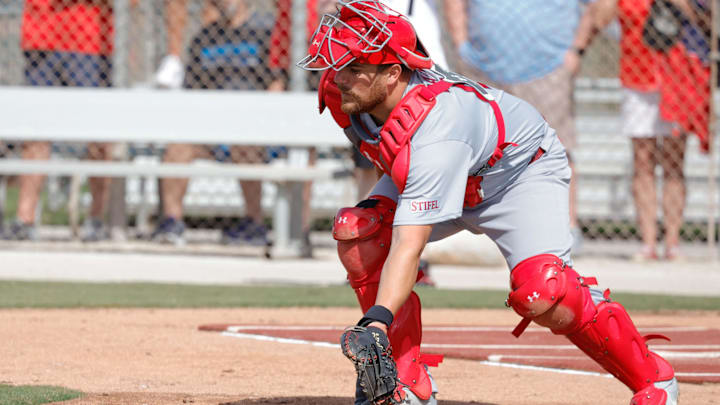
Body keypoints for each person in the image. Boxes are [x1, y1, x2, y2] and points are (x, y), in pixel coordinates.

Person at [299, 2, 678, 404]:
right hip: (449, 172)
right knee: (359, 233)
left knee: (545, 291)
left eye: (355, 68)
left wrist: (377, 320)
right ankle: (407, 382)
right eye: (340, 64)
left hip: (516, 176)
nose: (340, 77)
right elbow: (392, 160)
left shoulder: (438, 131)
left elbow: (409, 246)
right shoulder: (348, 95)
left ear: (393, 74)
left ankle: (653, 378)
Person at [443, 0, 601, 255]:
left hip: (548, 67)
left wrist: (577, 50)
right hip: (483, 65)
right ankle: (480, 229)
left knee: (555, 148)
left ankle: (565, 228)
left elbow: (600, 6)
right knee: (477, 150)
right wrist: (461, 42)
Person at [593, 0, 710, 261]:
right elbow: (600, 19)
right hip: (637, 74)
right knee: (643, 161)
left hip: (678, 75)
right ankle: (648, 243)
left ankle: (672, 243)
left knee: (674, 162)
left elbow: (703, 21)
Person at [151, 0, 275, 246]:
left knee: (245, 146)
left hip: (254, 129)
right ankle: (172, 222)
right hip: (213, 129)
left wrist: (261, 119)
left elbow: (275, 85)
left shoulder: (263, 33)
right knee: (178, 148)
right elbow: (194, 91)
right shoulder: (204, 38)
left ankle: (254, 223)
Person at [3, 0, 118, 242]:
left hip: (90, 42)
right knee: (35, 131)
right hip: (41, 36)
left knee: (97, 134)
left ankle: (96, 219)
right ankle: (25, 218)